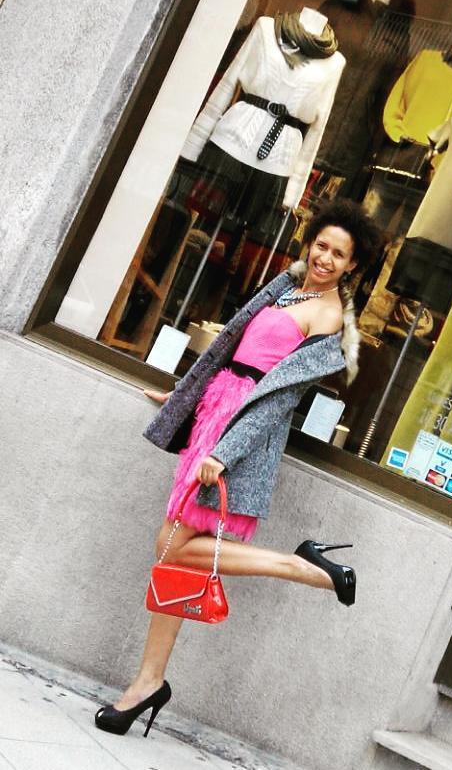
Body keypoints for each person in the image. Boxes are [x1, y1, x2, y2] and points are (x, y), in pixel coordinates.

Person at [95, 200, 381, 737]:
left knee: (171, 545)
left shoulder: (328, 317)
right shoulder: (287, 284)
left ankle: (300, 566)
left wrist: (225, 452)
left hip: (242, 434)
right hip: (215, 414)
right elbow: (227, 348)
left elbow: (279, 400)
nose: (325, 258)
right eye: (321, 245)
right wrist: (184, 396)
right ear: (310, 243)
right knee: (176, 555)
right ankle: (149, 682)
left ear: (353, 266)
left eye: (338, 254)